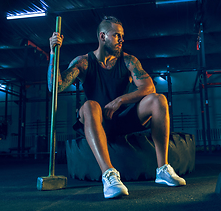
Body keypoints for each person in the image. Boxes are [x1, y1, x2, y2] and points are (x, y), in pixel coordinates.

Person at [48, 16, 186, 199]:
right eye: (117, 35)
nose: (121, 40)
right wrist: (53, 53)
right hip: (97, 122)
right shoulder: (84, 62)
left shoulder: (128, 61)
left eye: (122, 36)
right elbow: (55, 86)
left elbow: (148, 87)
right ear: (102, 36)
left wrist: (121, 100)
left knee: (158, 99)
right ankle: (109, 175)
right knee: (90, 106)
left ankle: (162, 169)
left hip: (122, 119)